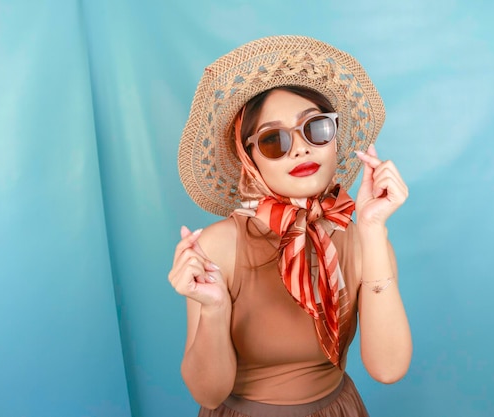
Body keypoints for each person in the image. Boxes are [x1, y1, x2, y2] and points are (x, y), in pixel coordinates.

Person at [168, 35, 412, 417]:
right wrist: (214, 310)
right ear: (250, 160)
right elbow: (209, 393)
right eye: (273, 140)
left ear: (335, 139)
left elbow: (388, 368)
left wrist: (373, 229)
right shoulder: (219, 246)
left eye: (315, 128)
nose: (300, 148)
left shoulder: (362, 237)